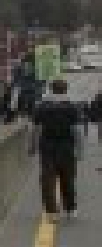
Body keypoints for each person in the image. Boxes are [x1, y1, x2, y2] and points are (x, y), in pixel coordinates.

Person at [30, 78, 84, 221]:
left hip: (47, 147)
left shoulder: (41, 107)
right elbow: (77, 131)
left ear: (51, 89)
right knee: (68, 178)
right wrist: (79, 150)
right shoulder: (73, 107)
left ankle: (52, 212)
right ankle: (70, 209)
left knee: (48, 180)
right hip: (67, 147)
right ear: (66, 90)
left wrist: (32, 147)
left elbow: (34, 129)